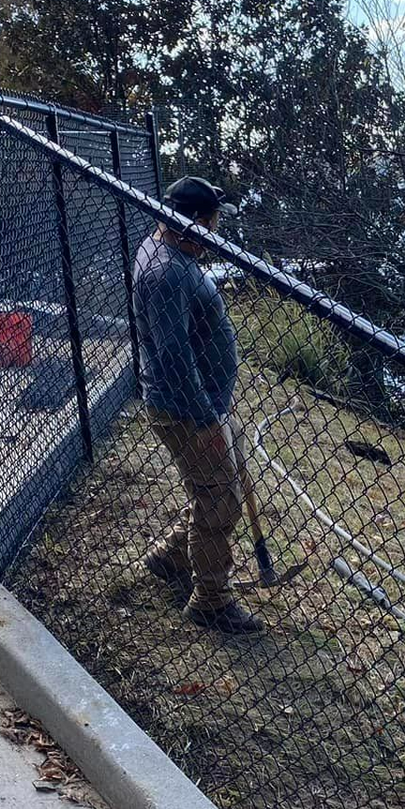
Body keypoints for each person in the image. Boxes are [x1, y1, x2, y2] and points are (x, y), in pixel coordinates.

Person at [135, 176, 263, 635]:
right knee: (220, 498)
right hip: (187, 410)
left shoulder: (167, 253)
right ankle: (211, 599)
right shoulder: (167, 272)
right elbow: (173, 355)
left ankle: (169, 559)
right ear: (192, 224)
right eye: (211, 223)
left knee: (207, 490)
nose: (216, 232)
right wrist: (206, 419)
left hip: (196, 403)